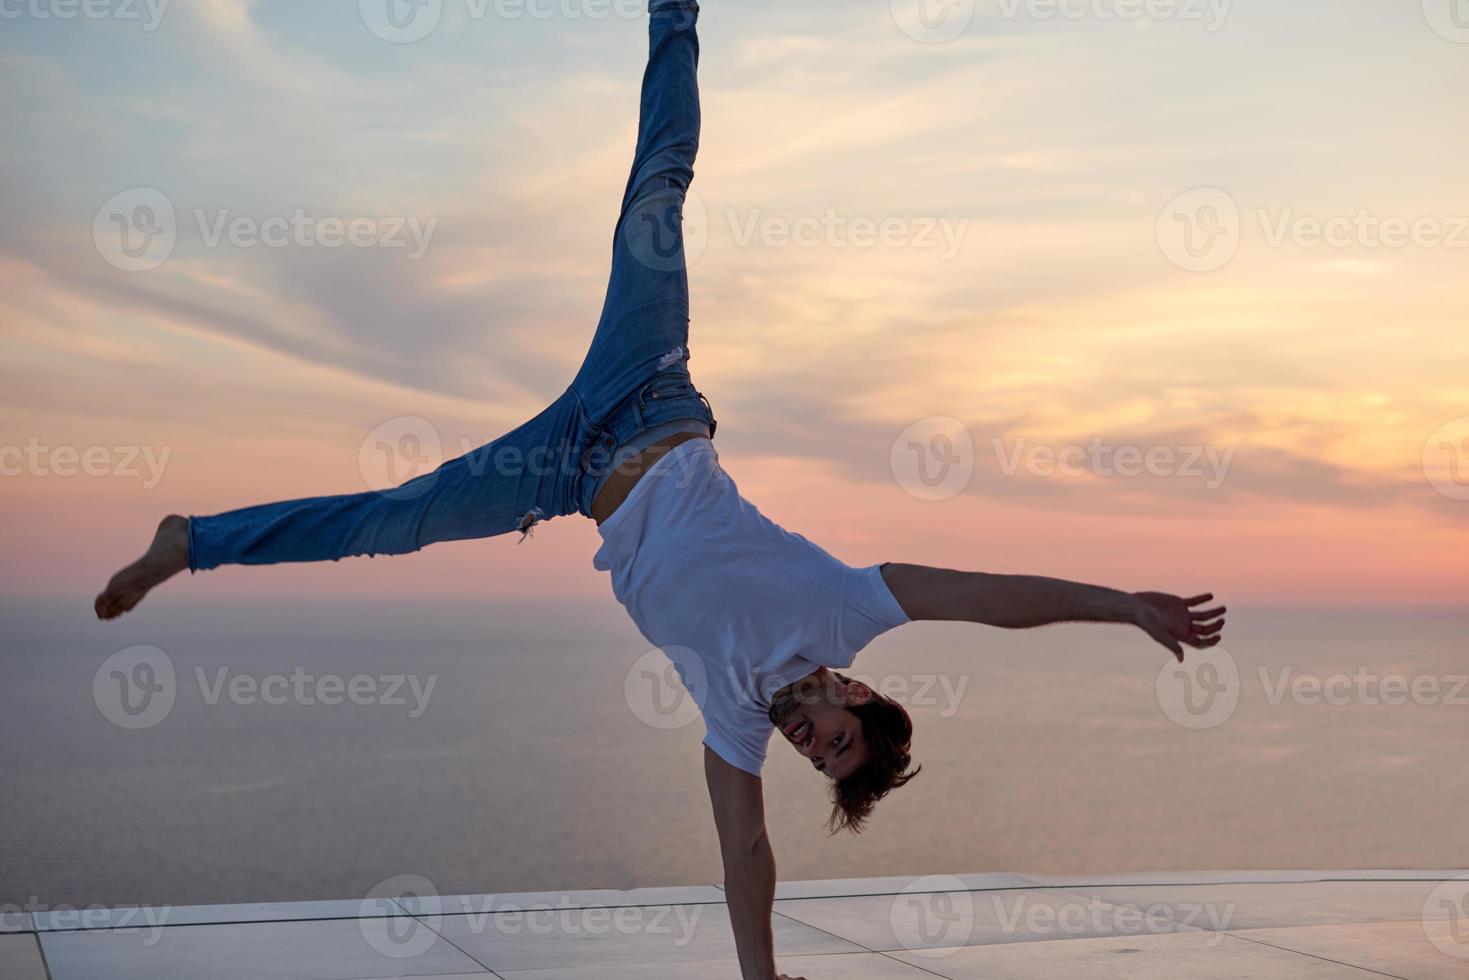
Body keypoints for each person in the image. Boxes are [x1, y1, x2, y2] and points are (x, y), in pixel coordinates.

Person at [94, 4, 1225, 977]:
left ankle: (190, 540)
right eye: (832, 739)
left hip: (565, 473)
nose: (805, 744)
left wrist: (759, 972)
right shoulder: (841, 607)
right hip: (645, 393)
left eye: (814, 759)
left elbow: (743, 854)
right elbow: (985, 594)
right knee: (657, 191)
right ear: (848, 693)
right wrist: (1123, 603)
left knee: (393, 520)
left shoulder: (733, 716)